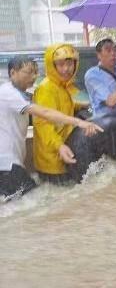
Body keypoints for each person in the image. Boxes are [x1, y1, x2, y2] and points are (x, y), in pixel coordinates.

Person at [0, 55, 101, 201]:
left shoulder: (23, 94)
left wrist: (82, 105)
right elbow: (45, 113)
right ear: (12, 73)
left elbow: (59, 105)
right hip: (6, 164)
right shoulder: (9, 93)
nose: (34, 76)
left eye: (35, 72)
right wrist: (79, 122)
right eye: (28, 72)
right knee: (36, 203)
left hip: (11, 162)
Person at [33, 44, 103, 185]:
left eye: (70, 64)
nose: (66, 69)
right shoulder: (47, 88)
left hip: (65, 153)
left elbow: (61, 108)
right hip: (52, 161)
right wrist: (59, 146)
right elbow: (42, 124)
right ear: (52, 65)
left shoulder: (62, 85)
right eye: (60, 64)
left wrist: (81, 105)